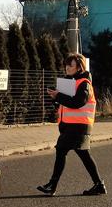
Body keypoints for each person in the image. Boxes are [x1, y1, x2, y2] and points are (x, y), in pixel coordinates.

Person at [37, 53, 106, 196]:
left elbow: (77, 103)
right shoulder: (71, 82)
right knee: (83, 155)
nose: (67, 68)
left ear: (79, 67)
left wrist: (59, 96)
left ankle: (52, 185)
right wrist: (56, 99)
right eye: (66, 65)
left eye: (71, 65)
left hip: (78, 126)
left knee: (61, 150)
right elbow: (66, 103)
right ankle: (99, 185)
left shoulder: (84, 84)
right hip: (71, 125)